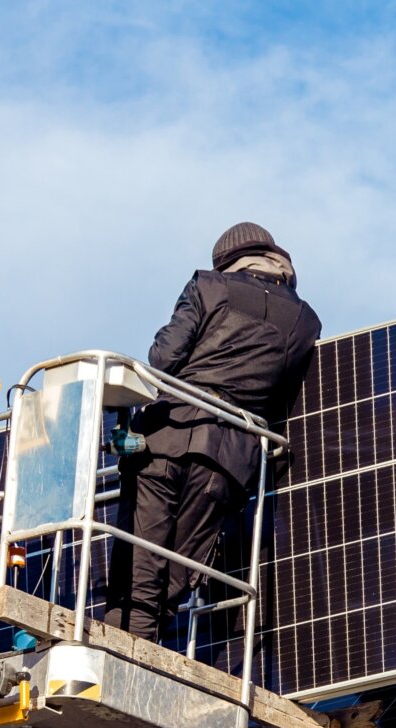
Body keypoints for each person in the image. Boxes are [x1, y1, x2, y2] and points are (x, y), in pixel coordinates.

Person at [103, 222, 322, 641]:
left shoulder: (209, 286)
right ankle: (143, 647)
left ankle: (121, 646)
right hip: (229, 461)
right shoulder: (304, 321)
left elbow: (162, 358)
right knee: (179, 567)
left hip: (164, 438)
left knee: (141, 560)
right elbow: (281, 400)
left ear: (226, 261)